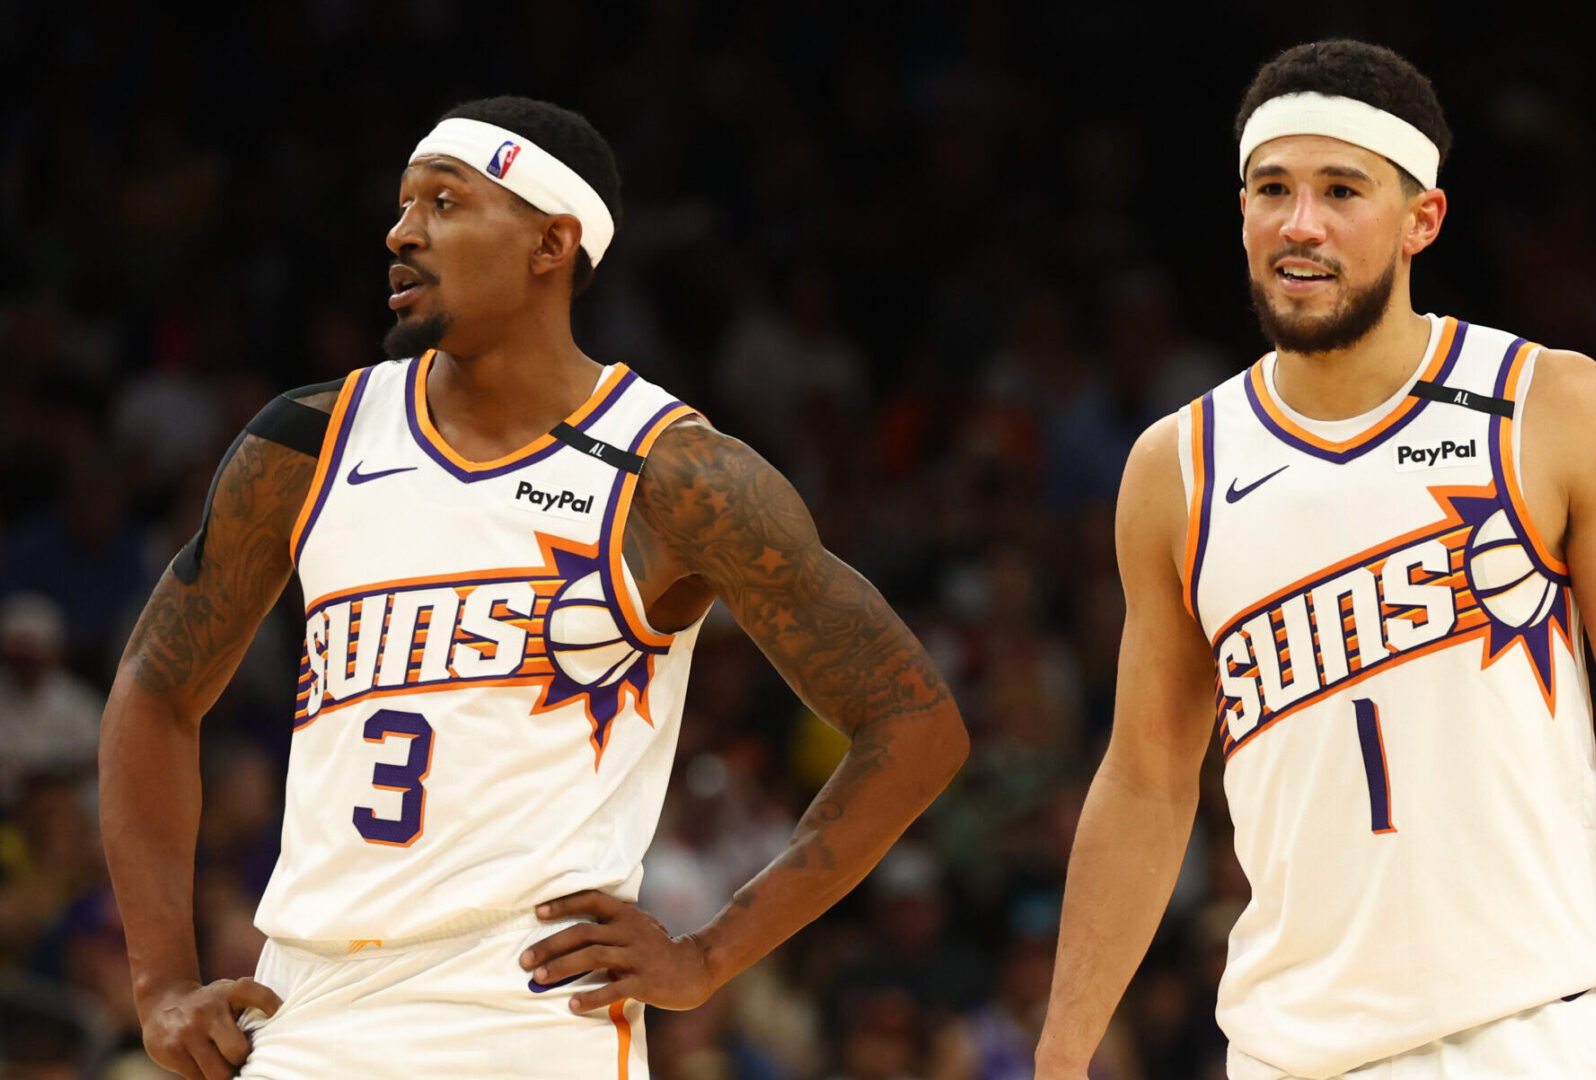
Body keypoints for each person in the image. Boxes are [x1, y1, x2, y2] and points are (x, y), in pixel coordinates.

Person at [98, 96, 969, 1080]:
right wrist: (159, 983)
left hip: (530, 1018)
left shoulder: (675, 474)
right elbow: (154, 689)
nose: (402, 232)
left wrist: (709, 955)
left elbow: (916, 724)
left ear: (551, 242)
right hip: (308, 1008)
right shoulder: (305, 442)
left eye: (444, 202)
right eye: (402, 204)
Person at [1035, 40, 1596, 1080]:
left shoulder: (1546, 405)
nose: (1300, 224)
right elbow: (1145, 778)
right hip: (1284, 1050)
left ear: (1421, 220)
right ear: (1243, 211)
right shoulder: (1176, 468)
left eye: (1341, 191)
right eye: (1274, 189)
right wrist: (1061, 1051)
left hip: (1528, 1034)